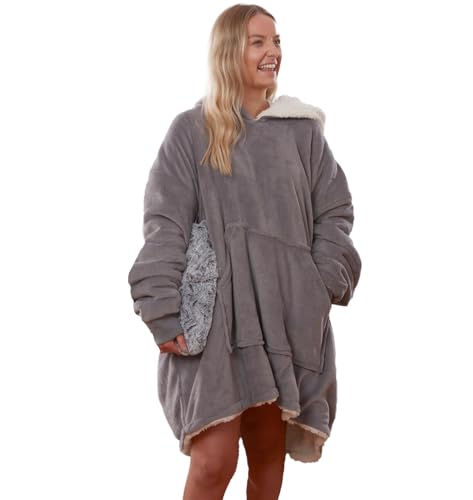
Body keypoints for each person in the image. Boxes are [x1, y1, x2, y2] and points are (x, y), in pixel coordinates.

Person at [127, 4, 362, 499]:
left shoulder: (302, 133)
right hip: (218, 317)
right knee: (214, 460)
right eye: (258, 42)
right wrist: (160, 306)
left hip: (284, 313)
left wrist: (317, 284)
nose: (272, 51)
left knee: (268, 458)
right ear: (229, 50)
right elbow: (165, 223)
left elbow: (335, 212)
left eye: (276, 41)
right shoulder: (192, 130)